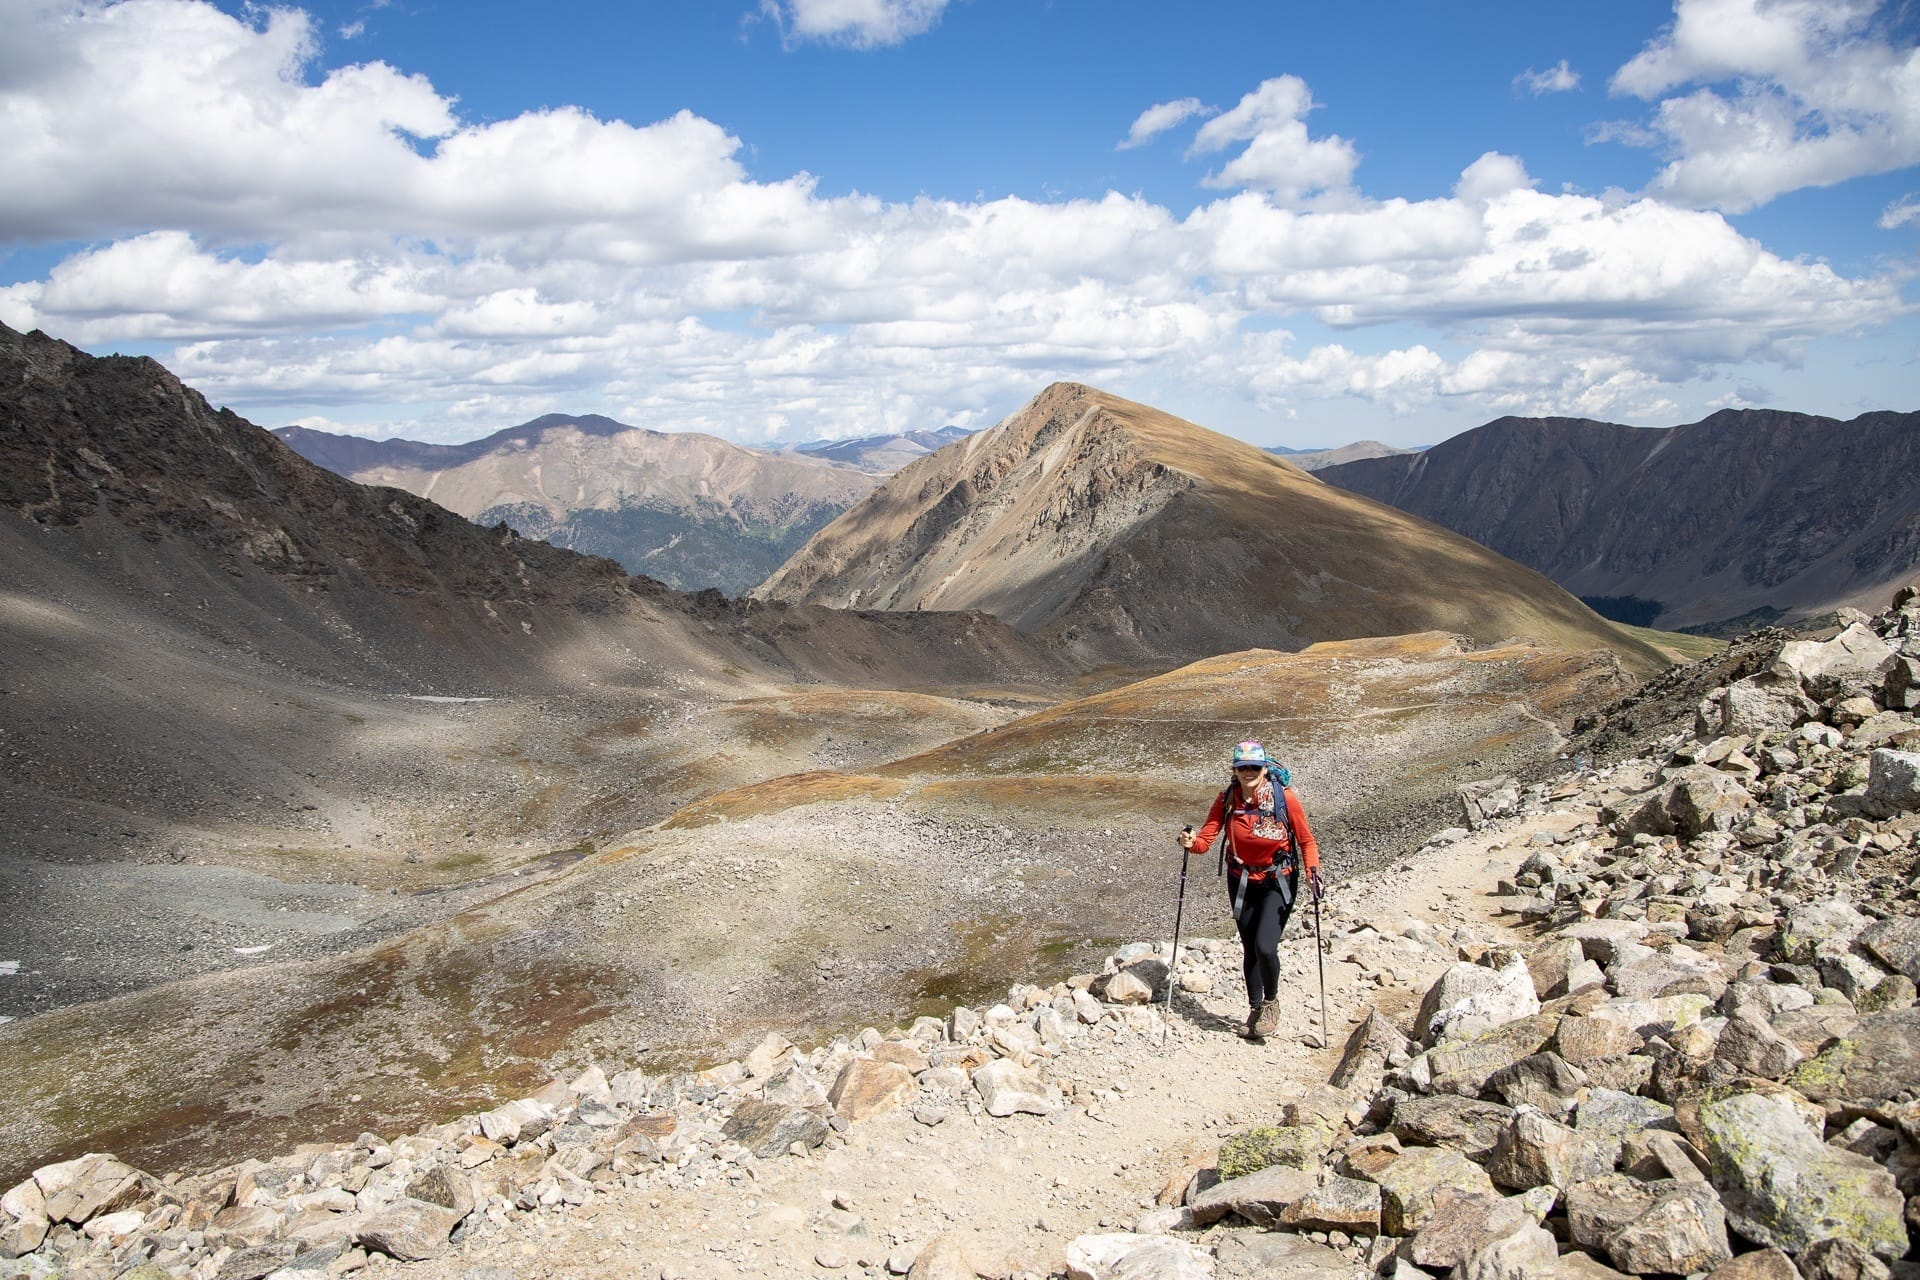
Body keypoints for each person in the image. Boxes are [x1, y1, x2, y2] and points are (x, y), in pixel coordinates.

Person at [1178, 740, 1319, 1039]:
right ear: (1235, 770)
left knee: (1265, 946)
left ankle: (1270, 1004)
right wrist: (1190, 842)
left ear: (1264, 768)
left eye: (1254, 767)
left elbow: (1306, 840)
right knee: (1249, 947)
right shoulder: (1228, 799)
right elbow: (1206, 840)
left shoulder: (1285, 799)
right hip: (1240, 879)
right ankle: (1255, 1009)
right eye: (1242, 768)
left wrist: (1311, 872)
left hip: (1278, 880)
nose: (1248, 772)